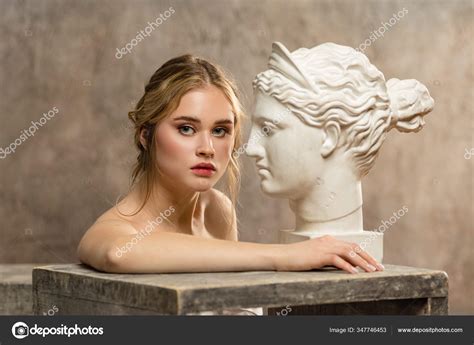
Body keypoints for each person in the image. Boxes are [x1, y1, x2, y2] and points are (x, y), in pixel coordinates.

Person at [77, 54, 383, 279]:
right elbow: (116, 253)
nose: (207, 149)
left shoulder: (217, 211)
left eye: (220, 130)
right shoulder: (117, 227)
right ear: (146, 135)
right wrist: (285, 255)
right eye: (186, 128)